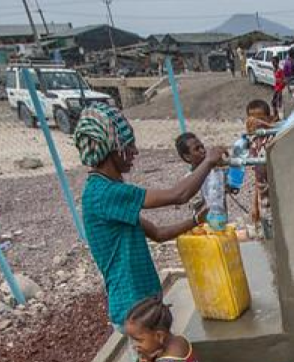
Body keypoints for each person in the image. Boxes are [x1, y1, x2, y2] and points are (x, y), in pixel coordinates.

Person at [75, 102, 223, 332]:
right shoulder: (106, 194)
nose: (134, 152)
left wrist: (196, 221)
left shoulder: (104, 191)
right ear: (112, 149)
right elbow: (179, 195)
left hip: (144, 304)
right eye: (129, 145)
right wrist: (209, 161)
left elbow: (158, 234)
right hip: (135, 311)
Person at [175, 132, 230, 232]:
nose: (203, 151)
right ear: (187, 157)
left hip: (221, 225)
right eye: (197, 149)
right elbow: (201, 207)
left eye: (202, 146)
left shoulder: (216, 171)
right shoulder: (189, 180)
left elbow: (231, 186)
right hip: (204, 230)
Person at [245, 99, 277, 223]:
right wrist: (255, 205)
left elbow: (281, 128)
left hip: (280, 194)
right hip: (264, 200)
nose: (256, 123)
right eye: (252, 120)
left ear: (269, 119)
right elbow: (257, 178)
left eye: (260, 119)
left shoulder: (273, 137)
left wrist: (268, 126)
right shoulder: (254, 143)